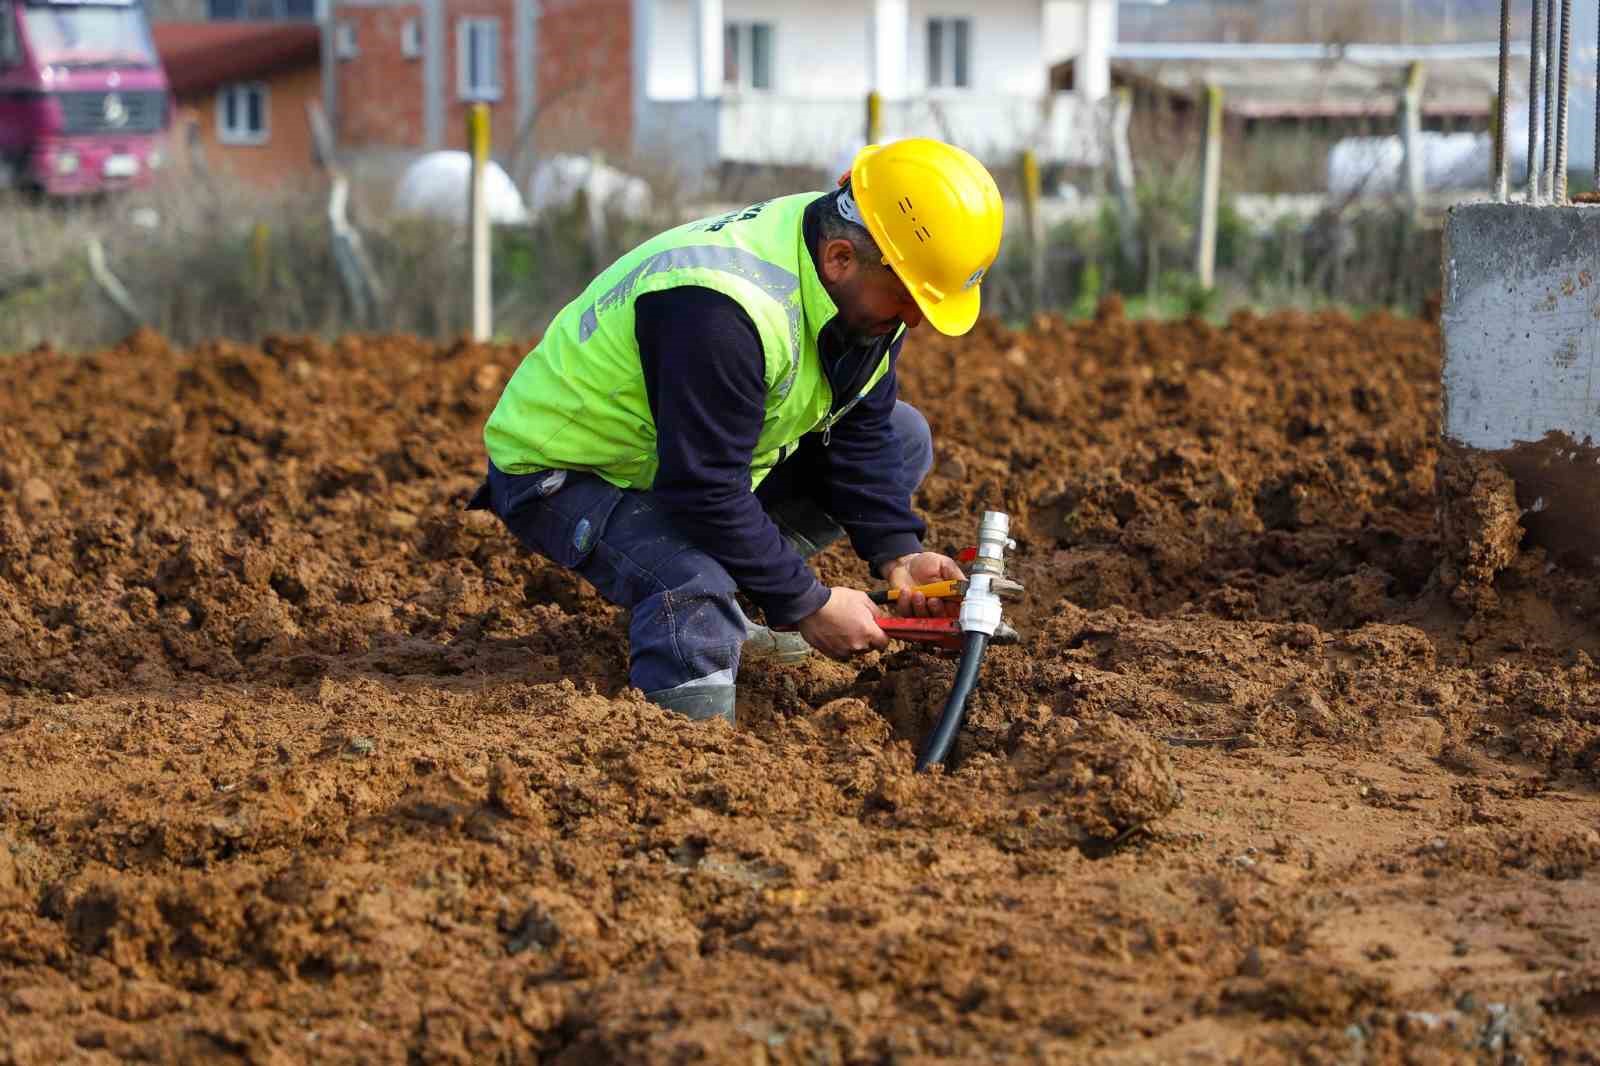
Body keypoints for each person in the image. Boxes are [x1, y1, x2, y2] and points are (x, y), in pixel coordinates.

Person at [468, 138, 1004, 724]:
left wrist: (898, 552)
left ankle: (741, 602)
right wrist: (808, 603)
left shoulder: (868, 278)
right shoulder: (721, 311)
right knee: (692, 585)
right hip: (567, 470)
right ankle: (685, 741)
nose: (915, 319)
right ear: (841, 259)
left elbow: (861, 429)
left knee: (903, 437)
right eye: (911, 299)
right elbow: (703, 491)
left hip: (686, 462)